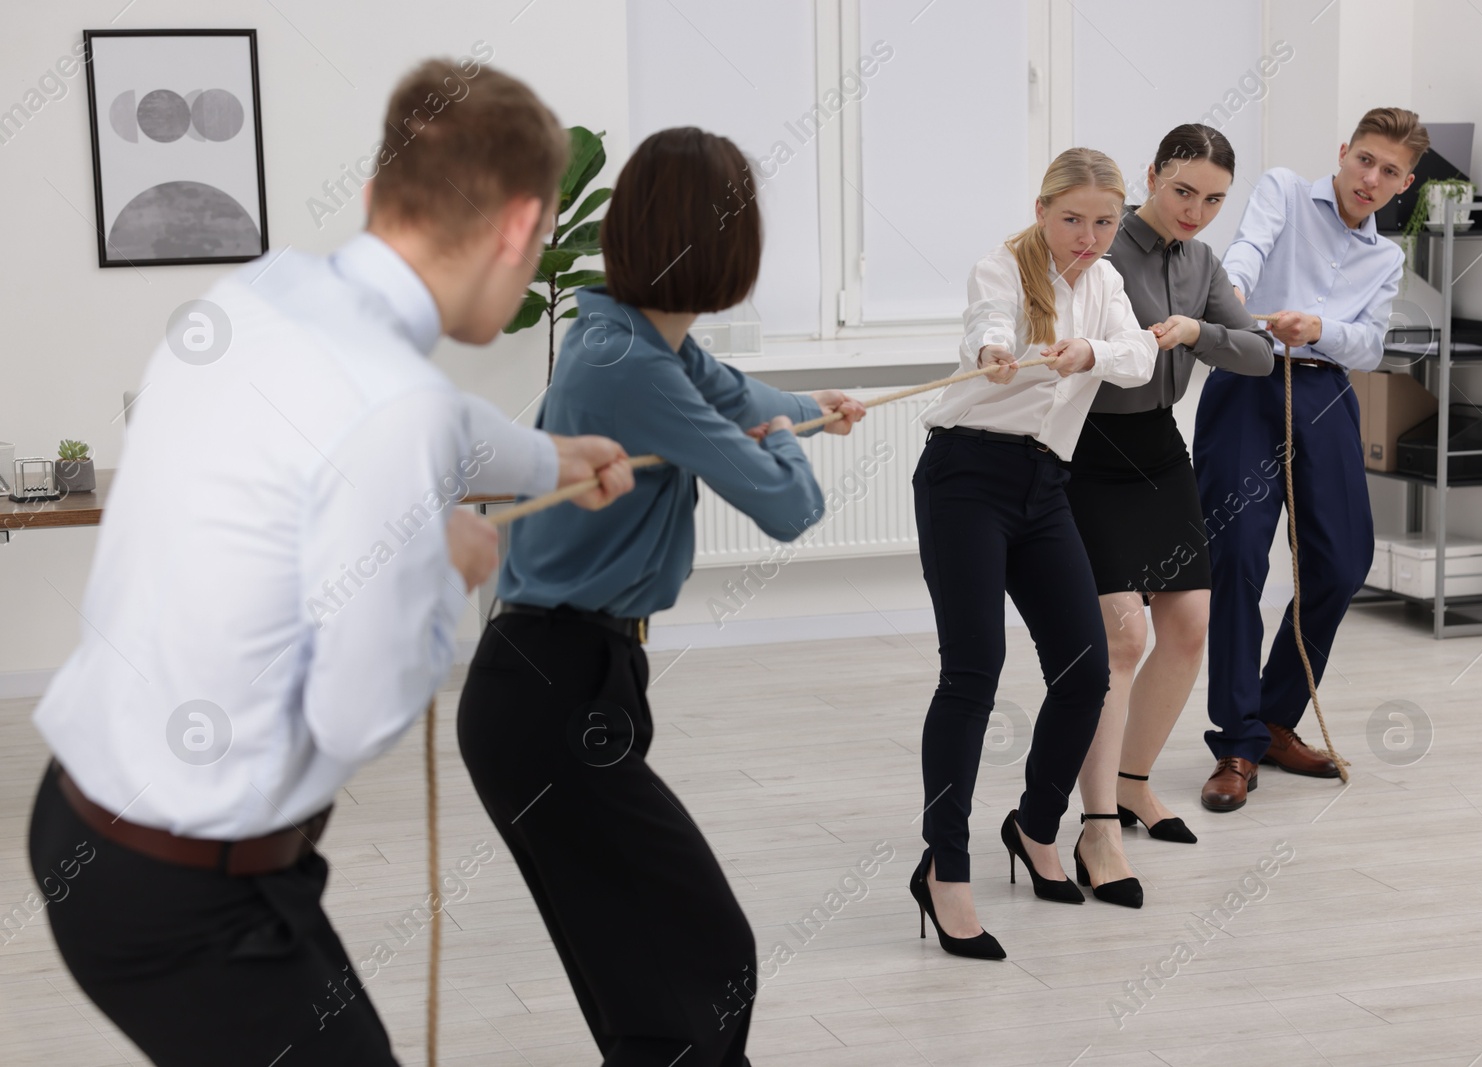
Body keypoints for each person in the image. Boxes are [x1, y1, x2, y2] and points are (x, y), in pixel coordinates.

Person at [27, 60, 635, 1067]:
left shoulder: (264, 294)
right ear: (524, 229)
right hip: (187, 894)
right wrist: (450, 566)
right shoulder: (389, 410)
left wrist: (552, 457)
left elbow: (419, 422)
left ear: (375, 197)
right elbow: (357, 715)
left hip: (92, 825)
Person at [454, 126, 865, 1067]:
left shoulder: (627, 336)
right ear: (731, 246)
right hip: (553, 693)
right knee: (699, 960)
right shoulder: (631, 367)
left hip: (565, 682)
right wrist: (783, 433)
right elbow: (788, 503)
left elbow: (739, 390)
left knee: (650, 978)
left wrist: (810, 405)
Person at [911, 147, 1157, 956]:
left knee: (1088, 669)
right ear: (1044, 210)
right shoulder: (1003, 266)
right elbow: (988, 323)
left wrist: (1093, 353)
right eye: (1072, 219)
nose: (1087, 237)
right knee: (973, 671)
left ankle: (1036, 824)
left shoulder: (1108, 282)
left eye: (1104, 222)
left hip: (1045, 486)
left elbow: (1141, 354)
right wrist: (991, 351)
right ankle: (945, 867)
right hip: (966, 476)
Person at [1195, 107, 1428, 811]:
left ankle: (1273, 718)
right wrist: (1232, 299)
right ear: (1344, 151)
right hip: (1248, 380)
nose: (1371, 177)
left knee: (1343, 561)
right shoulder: (1285, 190)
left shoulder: (1387, 258)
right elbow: (1245, 253)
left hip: (1323, 395)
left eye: (1389, 171)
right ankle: (1235, 743)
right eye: (1364, 159)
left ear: (1404, 183)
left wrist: (1321, 326)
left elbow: (1369, 347)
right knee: (1236, 557)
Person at [1068, 125, 1275, 883]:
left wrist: (1197, 330)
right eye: (1182, 190)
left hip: (1159, 449)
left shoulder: (1202, 262)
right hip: (1089, 451)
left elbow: (1256, 354)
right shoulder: (1104, 247)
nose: (1195, 210)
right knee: (1122, 639)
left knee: (1188, 627)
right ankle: (1095, 824)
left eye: (1214, 199)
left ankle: (1132, 783)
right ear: (1152, 175)